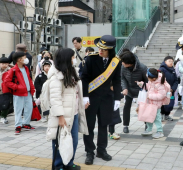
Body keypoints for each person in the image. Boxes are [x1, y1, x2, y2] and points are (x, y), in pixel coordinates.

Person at [81, 35, 121, 165]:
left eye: (104, 49)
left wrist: (117, 98)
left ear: (110, 50)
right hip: (91, 98)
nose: (100, 51)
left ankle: (101, 150)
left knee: (104, 125)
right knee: (89, 126)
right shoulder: (91, 59)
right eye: (99, 48)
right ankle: (89, 152)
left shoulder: (116, 62)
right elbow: (84, 78)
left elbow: (116, 80)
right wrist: (85, 96)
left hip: (106, 99)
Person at [46, 48, 88, 170]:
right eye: (73, 57)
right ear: (66, 59)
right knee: (60, 141)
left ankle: (69, 163)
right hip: (62, 116)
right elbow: (55, 99)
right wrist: (60, 116)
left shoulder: (72, 72)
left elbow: (75, 92)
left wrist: (80, 103)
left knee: (73, 141)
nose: (74, 59)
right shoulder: (56, 77)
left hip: (73, 113)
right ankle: (58, 165)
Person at [5, 52, 35, 135]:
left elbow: (29, 79)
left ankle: (26, 123)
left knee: (29, 108)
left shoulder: (26, 68)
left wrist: (32, 88)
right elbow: (7, 81)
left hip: (28, 92)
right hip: (18, 93)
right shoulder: (13, 70)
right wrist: (16, 87)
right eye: (24, 57)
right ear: (19, 60)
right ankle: (18, 125)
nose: (26, 59)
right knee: (18, 110)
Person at [120, 50, 148, 133]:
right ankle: (125, 125)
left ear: (129, 63)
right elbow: (123, 78)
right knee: (126, 106)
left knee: (143, 107)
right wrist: (124, 88)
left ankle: (147, 124)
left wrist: (142, 86)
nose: (122, 63)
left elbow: (148, 81)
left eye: (123, 62)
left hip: (141, 91)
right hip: (129, 89)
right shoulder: (123, 67)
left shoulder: (143, 68)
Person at [139, 68, 167, 139]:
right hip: (151, 103)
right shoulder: (152, 81)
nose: (147, 79)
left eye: (148, 77)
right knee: (149, 116)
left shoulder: (160, 84)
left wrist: (150, 96)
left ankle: (160, 131)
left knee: (157, 118)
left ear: (153, 78)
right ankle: (149, 129)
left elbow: (162, 95)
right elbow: (149, 87)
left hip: (156, 105)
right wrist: (141, 84)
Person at [159, 56, 178, 121]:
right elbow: (159, 80)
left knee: (170, 104)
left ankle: (167, 115)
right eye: (169, 61)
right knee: (163, 103)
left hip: (171, 91)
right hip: (163, 90)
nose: (171, 63)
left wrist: (172, 88)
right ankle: (161, 114)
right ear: (165, 62)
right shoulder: (162, 70)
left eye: (172, 61)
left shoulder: (173, 70)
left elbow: (176, 80)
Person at [0, 56, 11, 124]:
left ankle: (3, 116)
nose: (4, 65)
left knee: (5, 104)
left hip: (6, 90)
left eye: (6, 64)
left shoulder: (10, 71)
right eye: (2, 63)